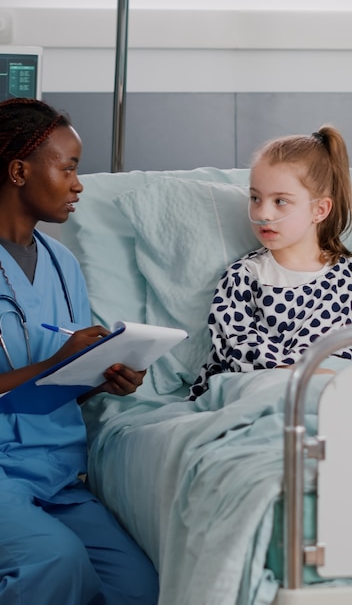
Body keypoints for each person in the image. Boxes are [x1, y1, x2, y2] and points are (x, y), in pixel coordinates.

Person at [0, 98, 159, 605]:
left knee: (137, 587)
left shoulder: (62, 262)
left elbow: (57, 389)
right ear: (19, 171)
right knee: (56, 561)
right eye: (67, 168)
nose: (78, 184)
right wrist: (55, 362)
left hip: (59, 475)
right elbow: (47, 368)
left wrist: (101, 375)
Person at [190, 124, 352, 400]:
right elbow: (235, 344)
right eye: (255, 198)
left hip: (331, 392)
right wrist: (293, 372)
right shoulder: (244, 276)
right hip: (256, 388)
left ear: (320, 209)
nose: (263, 213)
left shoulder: (346, 278)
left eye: (280, 201)